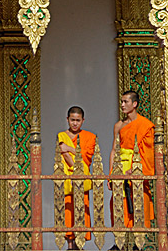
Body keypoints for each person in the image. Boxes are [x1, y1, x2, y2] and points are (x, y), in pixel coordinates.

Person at [108, 91, 155, 228]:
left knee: (139, 205)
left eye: (125, 102)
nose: (122, 105)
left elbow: (148, 154)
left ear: (134, 104)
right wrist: (111, 175)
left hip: (136, 168)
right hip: (121, 168)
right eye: (121, 102)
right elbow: (114, 151)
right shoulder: (119, 125)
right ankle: (120, 243)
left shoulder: (145, 125)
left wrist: (135, 169)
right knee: (119, 206)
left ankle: (137, 245)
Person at [58, 106, 96, 250]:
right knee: (68, 209)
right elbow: (63, 153)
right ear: (67, 119)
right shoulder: (62, 135)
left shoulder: (89, 136)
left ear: (83, 121)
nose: (75, 123)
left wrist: (71, 149)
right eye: (72, 120)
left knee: (82, 207)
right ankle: (70, 245)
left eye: (78, 120)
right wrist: (76, 167)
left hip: (83, 177)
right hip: (68, 176)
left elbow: (87, 156)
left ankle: (80, 244)